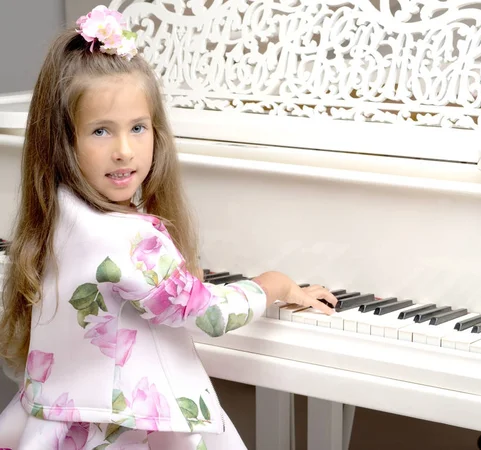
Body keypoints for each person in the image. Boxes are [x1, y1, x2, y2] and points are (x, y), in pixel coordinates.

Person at [0, 5, 337, 449]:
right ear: (63, 140)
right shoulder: (129, 239)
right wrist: (273, 285)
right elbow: (207, 314)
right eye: (101, 131)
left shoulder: (58, 212)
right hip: (124, 431)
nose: (124, 150)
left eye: (138, 128)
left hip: (60, 419)